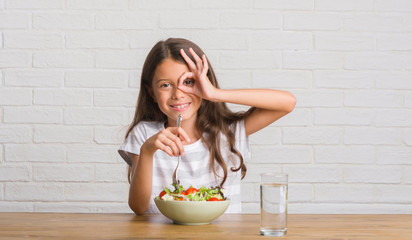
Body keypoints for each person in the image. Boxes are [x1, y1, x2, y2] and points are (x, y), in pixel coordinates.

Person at [118, 38, 296, 215]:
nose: (178, 94)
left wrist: (215, 94)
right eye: (165, 85)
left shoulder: (228, 132)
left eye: (188, 82)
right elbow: (138, 207)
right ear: (153, 93)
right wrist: (147, 150)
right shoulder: (144, 134)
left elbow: (287, 103)